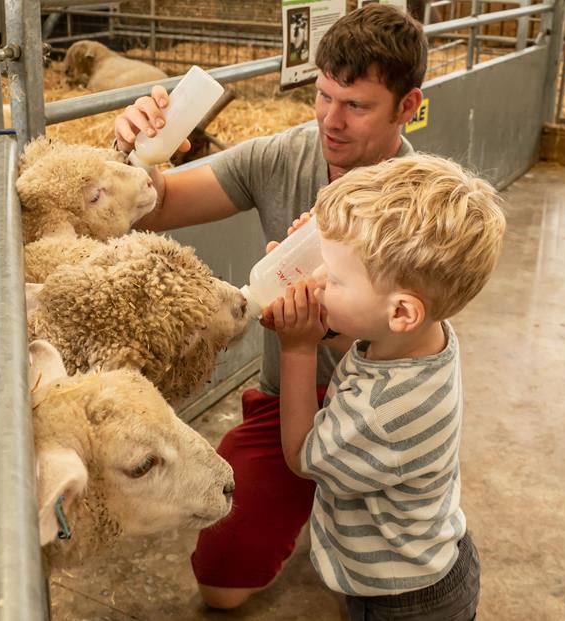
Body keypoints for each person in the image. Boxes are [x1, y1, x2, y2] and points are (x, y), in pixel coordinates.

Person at [113, 4, 428, 610]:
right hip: (287, 396)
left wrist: (310, 330)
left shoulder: (420, 204)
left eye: (356, 106)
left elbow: (403, 343)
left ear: (407, 107)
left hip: (376, 410)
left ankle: (335, 493)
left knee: (390, 575)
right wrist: (134, 153)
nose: (331, 121)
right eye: (323, 94)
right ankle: (302, 490)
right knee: (222, 584)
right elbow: (160, 205)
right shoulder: (284, 155)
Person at [263, 154, 505, 620]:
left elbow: (301, 455)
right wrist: (324, 250)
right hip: (423, 566)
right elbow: (364, 342)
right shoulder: (423, 338)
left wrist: (297, 349)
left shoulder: (382, 415)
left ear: (400, 312)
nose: (314, 282)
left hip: (403, 600)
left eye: (330, 278)